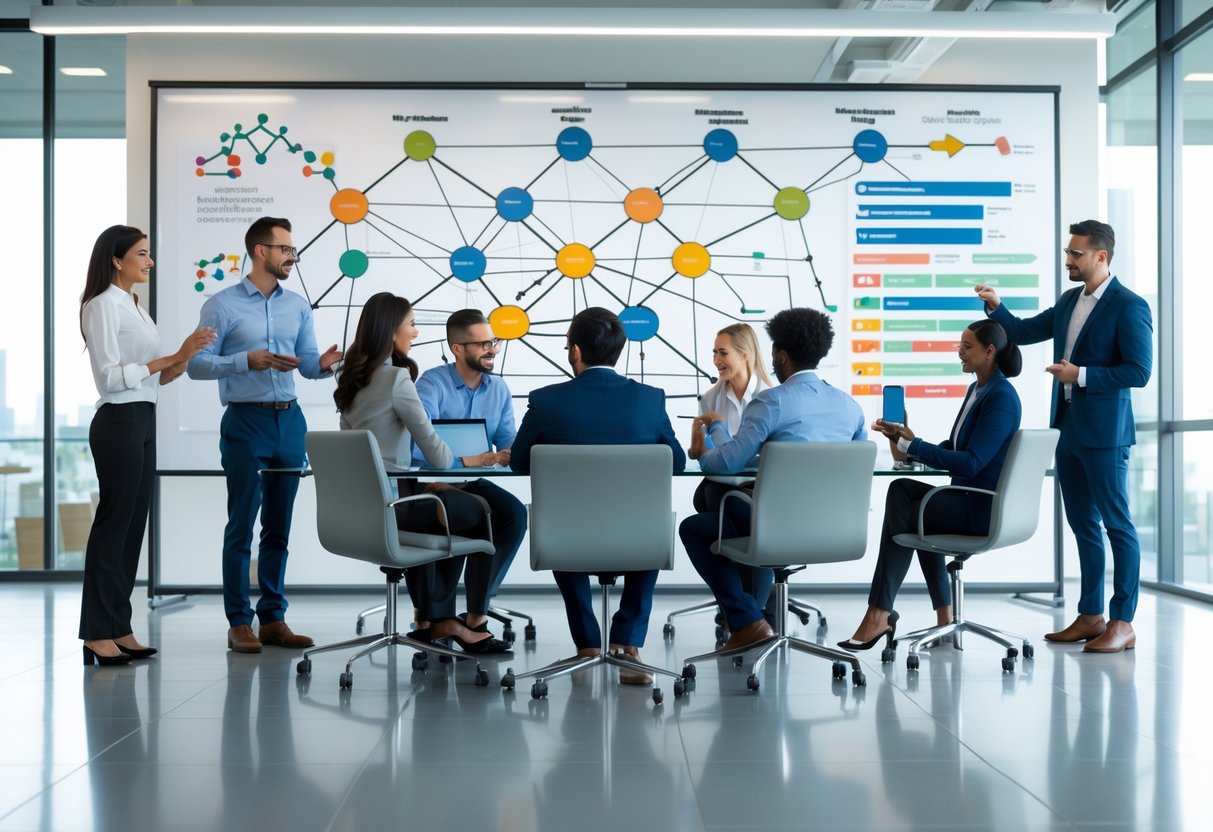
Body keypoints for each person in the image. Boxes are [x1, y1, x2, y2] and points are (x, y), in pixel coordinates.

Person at [975, 219, 1152, 654]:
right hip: (1068, 428)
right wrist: (997, 307)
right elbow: (1024, 332)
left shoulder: (1130, 306)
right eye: (1068, 253)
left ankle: (1123, 621)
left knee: (1117, 525)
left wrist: (1081, 375)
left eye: (1076, 254)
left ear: (1101, 256)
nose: (1068, 260)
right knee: (1081, 524)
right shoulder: (1070, 300)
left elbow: (1140, 371)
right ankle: (1091, 615)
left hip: (1107, 435)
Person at [187, 216, 342, 654]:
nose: (292, 256)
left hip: (289, 422)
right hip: (245, 422)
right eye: (286, 249)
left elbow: (307, 365)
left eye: (292, 250)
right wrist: (245, 362)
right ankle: (239, 622)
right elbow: (196, 365)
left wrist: (325, 362)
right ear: (261, 251)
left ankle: (273, 618)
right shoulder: (222, 305)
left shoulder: (298, 306)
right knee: (241, 524)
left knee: (278, 528)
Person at [510, 307, 686, 684]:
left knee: (560, 513)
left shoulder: (545, 401)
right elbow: (678, 462)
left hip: (566, 539)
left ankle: (588, 644)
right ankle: (627, 643)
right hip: (638, 539)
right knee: (647, 519)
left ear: (575, 351)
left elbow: (519, 462)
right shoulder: (650, 400)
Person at [679, 307, 866, 652]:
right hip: (832, 526)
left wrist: (714, 432)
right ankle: (758, 614)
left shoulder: (772, 402)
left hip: (777, 523)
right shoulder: (850, 407)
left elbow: (726, 463)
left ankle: (749, 619)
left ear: (780, 355)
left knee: (695, 527)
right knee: (721, 512)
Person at [335, 293, 508, 653]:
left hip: (361, 508)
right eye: (411, 325)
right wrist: (476, 460)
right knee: (473, 511)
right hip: (399, 503)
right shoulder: (398, 380)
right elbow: (439, 456)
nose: (415, 333)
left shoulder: (352, 380)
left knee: (459, 508)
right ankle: (443, 619)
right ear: (391, 331)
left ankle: (437, 617)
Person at [839, 320, 1023, 651]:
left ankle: (880, 612)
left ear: (989, 351)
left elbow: (971, 462)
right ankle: (939, 618)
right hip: (966, 500)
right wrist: (906, 439)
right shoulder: (978, 390)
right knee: (910, 502)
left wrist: (916, 446)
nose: (960, 352)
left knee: (906, 500)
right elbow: (955, 448)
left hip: (981, 508)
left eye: (967, 347)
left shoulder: (1002, 398)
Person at [78, 225, 215, 665]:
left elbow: (155, 376)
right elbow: (110, 377)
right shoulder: (101, 306)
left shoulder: (135, 306)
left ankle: (119, 626)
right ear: (117, 260)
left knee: (134, 526)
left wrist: (183, 357)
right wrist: (171, 356)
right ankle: (96, 632)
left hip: (144, 417)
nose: (149, 261)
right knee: (114, 524)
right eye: (142, 253)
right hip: (117, 420)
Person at [412, 308, 527, 633]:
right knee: (465, 513)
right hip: (428, 482)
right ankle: (433, 615)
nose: (491, 349)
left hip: (469, 482)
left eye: (493, 341)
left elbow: (507, 438)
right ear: (457, 348)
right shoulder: (432, 384)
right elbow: (419, 446)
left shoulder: (499, 389)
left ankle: (478, 610)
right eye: (481, 344)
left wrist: (513, 451)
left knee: (513, 514)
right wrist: (470, 460)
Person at [692, 323, 773, 514]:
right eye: (714, 353)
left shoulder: (770, 397)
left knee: (713, 498)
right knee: (708, 494)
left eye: (723, 353)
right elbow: (702, 451)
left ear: (745, 355)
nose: (716, 360)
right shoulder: (709, 398)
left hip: (759, 484)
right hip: (721, 479)